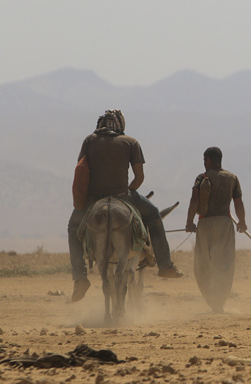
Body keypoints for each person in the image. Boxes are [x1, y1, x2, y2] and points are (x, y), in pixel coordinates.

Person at [68, 109, 183, 302]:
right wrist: (124, 192)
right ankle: (165, 266)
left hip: (93, 199)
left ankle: (80, 278)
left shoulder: (89, 140)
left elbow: (81, 170)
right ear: (121, 126)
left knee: (73, 229)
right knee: (154, 215)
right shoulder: (131, 142)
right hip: (123, 195)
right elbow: (139, 178)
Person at [186, 147, 246, 313]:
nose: (204, 163)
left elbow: (194, 200)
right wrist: (242, 222)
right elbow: (238, 202)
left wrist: (189, 222)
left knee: (202, 264)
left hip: (205, 224)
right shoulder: (232, 178)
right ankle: (219, 303)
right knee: (224, 264)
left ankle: (211, 301)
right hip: (224, 224)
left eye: (204, 160)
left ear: (208, 160)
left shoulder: (201, 178)